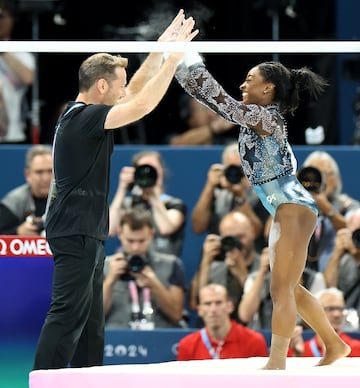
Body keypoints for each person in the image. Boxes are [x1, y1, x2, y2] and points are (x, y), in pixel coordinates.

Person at [33, 9, 198, 370]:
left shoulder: (89, 117)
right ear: (102, 86)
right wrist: (174, 59)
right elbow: (142, 104)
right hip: (74, 229)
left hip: (86, 231)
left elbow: (135, 92)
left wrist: (158, 51)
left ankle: (88, 378)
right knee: (66, 316)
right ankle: (43, 379)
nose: (123, 90)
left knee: (90, 325)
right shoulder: (82, 118)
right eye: (118, 84)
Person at [174, 51, 350, 369]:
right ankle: (335, 345)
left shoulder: (266, 117)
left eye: (250, 80)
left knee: (280, 288)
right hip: (286, 205)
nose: (243, 84)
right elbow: (218, 104)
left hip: (291, 204)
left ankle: (277, 362)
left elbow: (224, 105)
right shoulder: (261, 116)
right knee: (290, 288)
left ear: (268, 89)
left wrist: (193, 63)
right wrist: (181, 68)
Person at [103, 208, 186, 328]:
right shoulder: (104, 266)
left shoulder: (172, 264)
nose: (136, 247)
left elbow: (176, 316)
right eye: (130, 241)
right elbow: (94, 317)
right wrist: (110, 281)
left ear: (151, 234)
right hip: (116, 340)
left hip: (158, 338)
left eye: (141, 241)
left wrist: (154, 284)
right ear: (120, 233)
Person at [191, 141, 268, 251]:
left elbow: (255, 233)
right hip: (219, 258)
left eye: (242, 169)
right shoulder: (217, 192)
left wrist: (241, 196)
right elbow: (197, 228)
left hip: (251, 258)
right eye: (231, 169)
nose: (236, 174)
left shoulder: (264, 194)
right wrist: (209, 187)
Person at [109, 150, 186, 257]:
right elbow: (110, 230)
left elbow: (165, 228)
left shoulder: (174, 204)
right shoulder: (127, 204)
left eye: (152, 169)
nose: (147, 173)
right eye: (143, 169)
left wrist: (153, 194)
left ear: (162, 172)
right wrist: (122, 188)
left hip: (164, 268)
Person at [188, 211, 260, 322]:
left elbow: (261, 310)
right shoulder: (215, 268)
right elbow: (196, 305)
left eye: (240, 237)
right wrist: (206, 262)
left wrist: (242, 274)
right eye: (229, 239)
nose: (236, 243)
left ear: (253, 232)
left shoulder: (266, 267)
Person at [238, 246, 326, 330]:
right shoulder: (256, 279)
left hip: (301, 336)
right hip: (265, 335)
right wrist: (262, 272)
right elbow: (245, 315)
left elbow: (316, 321)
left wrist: (295, 282)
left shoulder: (314, 279)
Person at [177, 283, 268, 361]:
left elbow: (262, 379)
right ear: (200, 310)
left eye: (218, 303)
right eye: (207, 304)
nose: (213, 309)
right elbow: (183, 381)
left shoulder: (254, 341)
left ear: (230, 307)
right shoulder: (187, 345)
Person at [0, 0, 35, 143]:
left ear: (12, 19)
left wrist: (3, 50)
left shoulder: (21, 53)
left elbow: (28, 78)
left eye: (1, 16)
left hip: (12, 135)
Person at [289, 288, 360, 357]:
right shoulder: (300, 348)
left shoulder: (357, 347)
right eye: (330, 309)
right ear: (315, 313)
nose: (337, 314)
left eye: (340, 309)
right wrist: (297, 355)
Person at [0, 144, 53, 235]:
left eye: (50, 171)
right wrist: (18, 232)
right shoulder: (14, 202)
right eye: (39, 172)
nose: (46, 178)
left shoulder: (67, 200)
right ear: (28, 175)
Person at [323, 208, 360, 314]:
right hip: (342, 316)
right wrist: (337, 253)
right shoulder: (343, 258)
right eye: (356, 233)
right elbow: (328, 289)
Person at [166, 93, 236, 145]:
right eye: (203, 109)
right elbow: (175, 145)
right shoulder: (175, 137)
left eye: (213, 109)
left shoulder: (228, 143)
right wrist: (213, 128)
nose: (211, 114)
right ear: (189, 116)